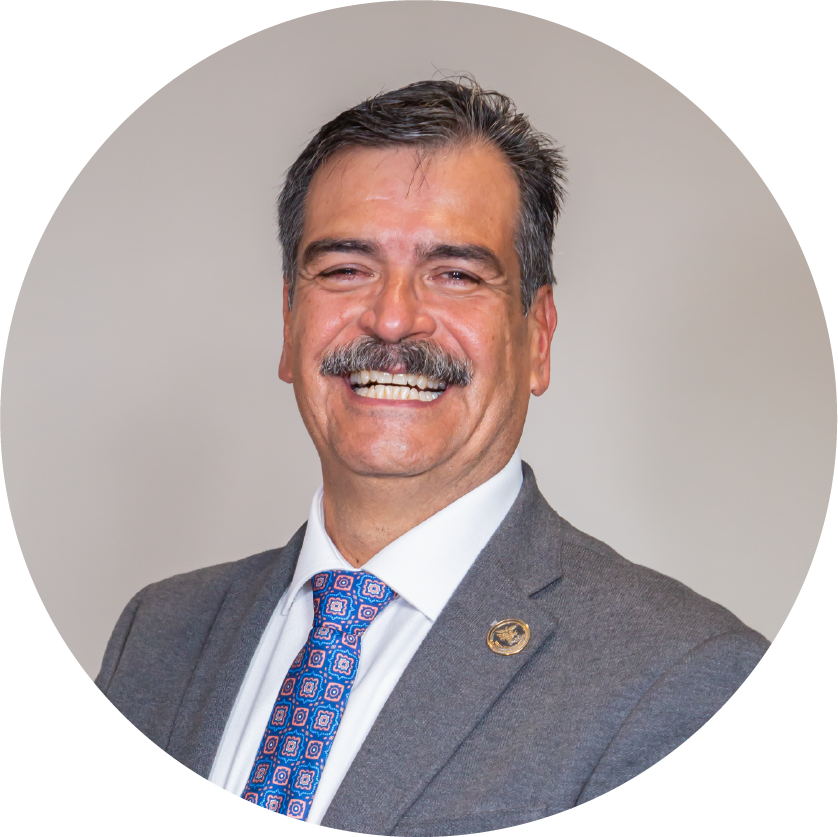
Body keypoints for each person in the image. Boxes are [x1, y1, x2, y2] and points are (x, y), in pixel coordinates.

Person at [95, 78, 768, 834]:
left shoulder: (686, 679)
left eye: (455, 274)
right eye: (345, 269)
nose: (392, 318)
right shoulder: (157, 635)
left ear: (537, 335)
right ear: (289, 320)